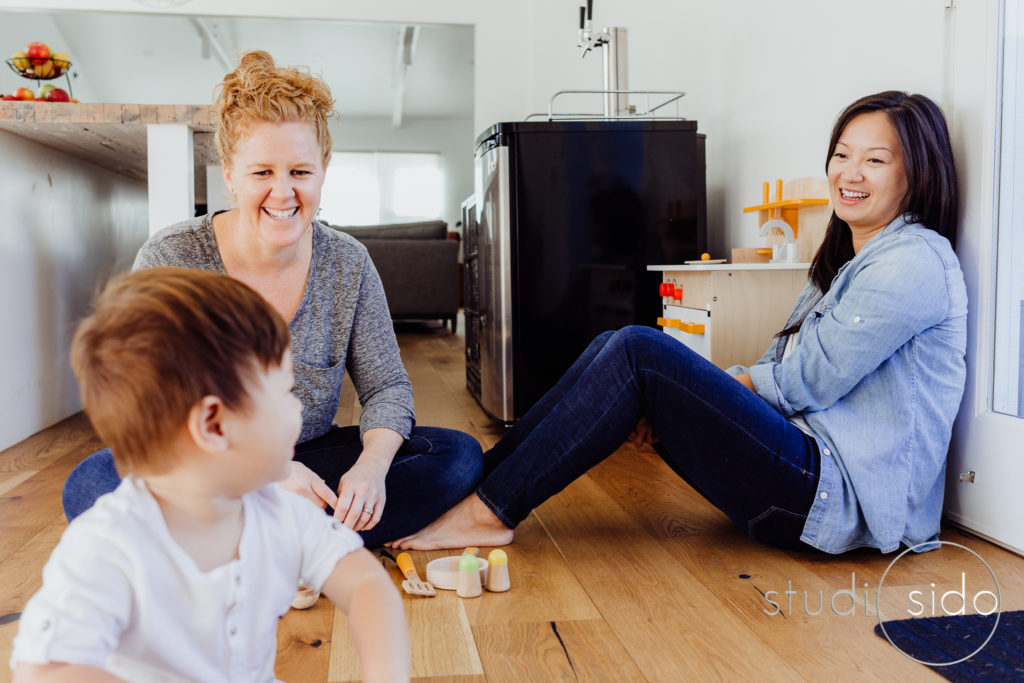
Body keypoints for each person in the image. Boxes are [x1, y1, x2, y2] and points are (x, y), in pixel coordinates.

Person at [391, 91, 968, 555]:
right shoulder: (846, 258)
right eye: (842, 154)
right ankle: (477, 492)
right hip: (802, 473)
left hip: (834, 501)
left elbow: (805, 381)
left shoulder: (913, 260)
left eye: (875, 159)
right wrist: (685, 402)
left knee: (640, 351)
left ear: (915, 174)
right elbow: (777, 365)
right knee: (612, 345)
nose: (850, 172)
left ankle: (486, 511)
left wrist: (698, 393)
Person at [61, 50, 482, 548]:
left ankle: (233, 545)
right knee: (93, 483)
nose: (283, 193)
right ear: (230, 176)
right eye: (262, 172)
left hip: (311, 459)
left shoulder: (348, 262)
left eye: (300, 172)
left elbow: (387, 386)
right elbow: (139, 402)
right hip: (206, 464)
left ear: (323, 171)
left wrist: (370, 468)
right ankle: (297, 540)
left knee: (456, 456)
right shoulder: (172, 256)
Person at [11, 268, 410, 682]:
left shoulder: (280, 513)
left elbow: (366, 584)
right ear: (214, 425)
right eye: (284, 392)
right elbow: (45, 669)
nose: (298, 411)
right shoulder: (107, 547)